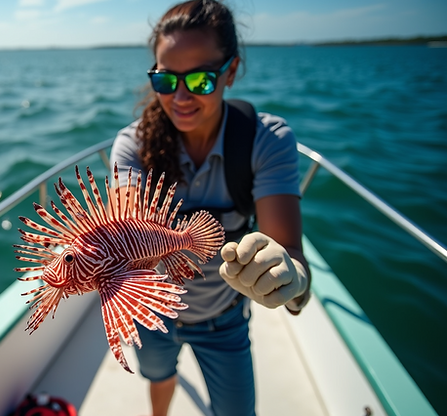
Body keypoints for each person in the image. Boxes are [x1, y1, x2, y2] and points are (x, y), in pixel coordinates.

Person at [108, 1, 311, 415]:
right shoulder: (132, 145)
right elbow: (124, 223)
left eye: (200, 79)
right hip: (152, 316)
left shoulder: (265, 140)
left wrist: (292, 279)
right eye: (165, 80)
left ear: (230, 72)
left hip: (224, 317)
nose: (180, 96)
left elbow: (292, 263)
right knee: (158, 376)